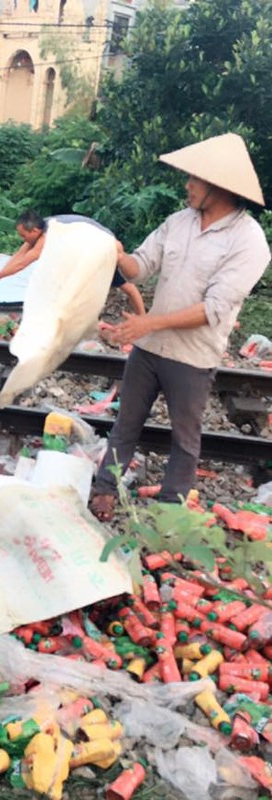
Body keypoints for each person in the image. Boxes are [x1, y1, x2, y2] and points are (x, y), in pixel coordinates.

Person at [89, 132, 271, 521]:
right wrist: (118, 253)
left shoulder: (250, 241)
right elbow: (141, 265)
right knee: (125, 426)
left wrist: (148, 322)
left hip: (192, 355)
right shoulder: (179, 222)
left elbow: (215, 308)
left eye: (194, 179)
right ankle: (105, 489)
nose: (186, 185)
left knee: (185, 439)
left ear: (219, 187)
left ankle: (171, 508)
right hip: (149, 346)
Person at [0, 209, 147, 316]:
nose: (22, 239)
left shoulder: (48, 235)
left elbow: (22, 264)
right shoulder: (41, 227)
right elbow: (18, 256)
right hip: (84, 252)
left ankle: (143, 319)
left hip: (104, 248)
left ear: (33, 231)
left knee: (126, 286)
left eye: (23, 235)